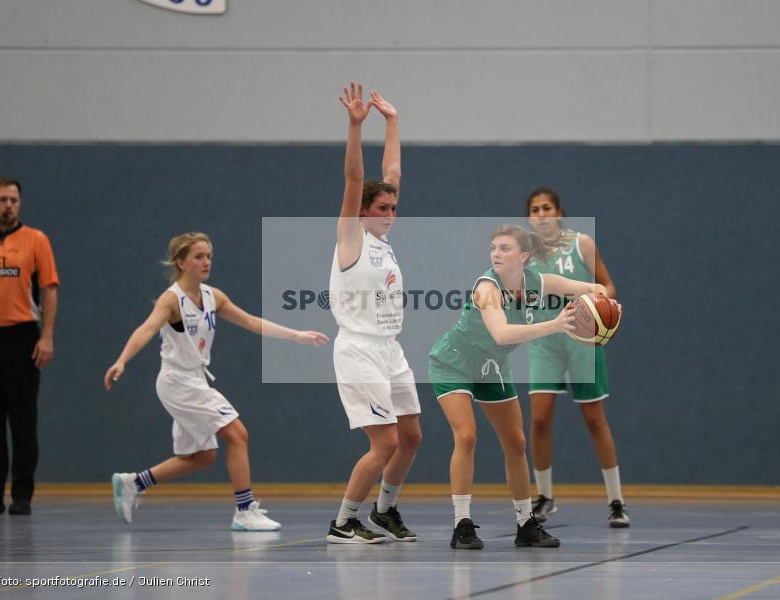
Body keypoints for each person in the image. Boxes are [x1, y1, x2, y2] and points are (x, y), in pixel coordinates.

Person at [104, 232, 328, 531]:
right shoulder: (171, 301)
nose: (206, 262)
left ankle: (134, 483)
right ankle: (245, 510)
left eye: (208, 256)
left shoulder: (213, 296)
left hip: (195, 380)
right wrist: (122, 360)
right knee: (237, 433)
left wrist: (296, 335)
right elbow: (146, 329)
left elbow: (251, 321)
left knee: (202, 457)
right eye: (198, 257)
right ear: (181, 262)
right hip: (178, 382)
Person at [429, 224, 619, 549]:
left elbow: (595, 288)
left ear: (524, 255)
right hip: (455, 362)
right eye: (494, 248)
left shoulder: (538, 282)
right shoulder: (487, 287)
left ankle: (525, 524)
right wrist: (557, 324)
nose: (496, 254)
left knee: (517, 443)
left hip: (492, 368)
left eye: (505, 248)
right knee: (467, 435)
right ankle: (462, 524)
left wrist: (610, 305)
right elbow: (502, 334)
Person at [326, 82, 422, 544]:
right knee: (383, 443)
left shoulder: (383, 241)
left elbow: (393, 172)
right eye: (382, 207)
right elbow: (353, 180)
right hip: (359, 349)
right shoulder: (352, 238)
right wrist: (355, 125)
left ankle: (385, 511)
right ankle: (344, 521)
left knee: (411, 438)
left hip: (390, 349)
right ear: (362, 212)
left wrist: (394, 120)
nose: (390, 213)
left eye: (394, 208)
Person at [525, 187, 629, 527]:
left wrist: (602, 304)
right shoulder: (526, 253)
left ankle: (616, 501)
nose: (541, 214)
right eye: (535, 209)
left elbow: (609, 286)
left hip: (582, 341)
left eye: (547, 208)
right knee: (539, 420)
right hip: (546, 339)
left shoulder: (581, 243)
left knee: (594, 419)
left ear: (559, 212)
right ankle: (544, 497)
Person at [0, 178, 58, 516]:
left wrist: (47, 336)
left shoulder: (35, 240)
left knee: (23, 420)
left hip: (22, 337)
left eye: (14, 200)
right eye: (2, 199)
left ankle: (22, 494)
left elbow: (50, 288)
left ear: (19, 204)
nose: (8, 205)